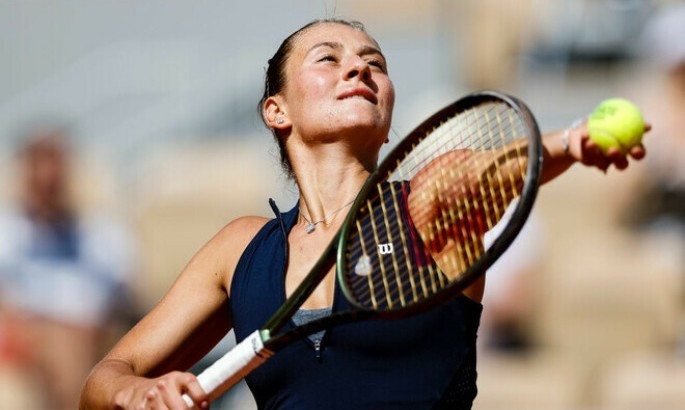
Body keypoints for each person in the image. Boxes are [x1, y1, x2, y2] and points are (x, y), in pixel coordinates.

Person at [79, 19, 647, 410]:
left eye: (375, 63)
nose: (359, 70)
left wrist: (571, 144)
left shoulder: (427, 203)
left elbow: (494, 170)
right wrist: (137, 394)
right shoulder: (239, 249)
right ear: (276, 110)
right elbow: (106, 377)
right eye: (329, 59)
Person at [0, 129, 137, 409]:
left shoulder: (100, 233)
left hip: (95, 332)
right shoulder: (8, 233)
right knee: (63, 345)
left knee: (77, 343)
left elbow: (127, 296)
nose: (47, 181)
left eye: (54, 170)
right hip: (25, 332)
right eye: (39, 170)